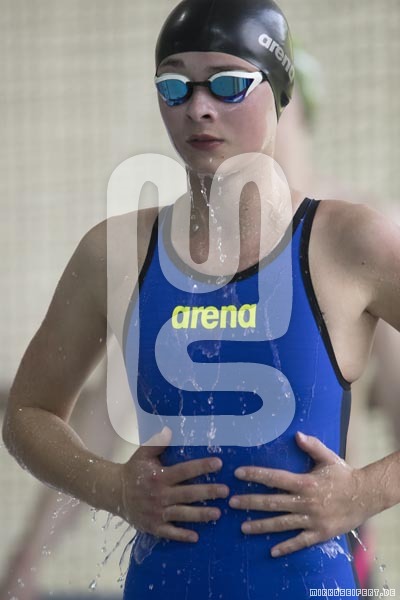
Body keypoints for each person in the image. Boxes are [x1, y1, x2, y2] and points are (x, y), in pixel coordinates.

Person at [3, 0, 400, 598]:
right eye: (174, 86)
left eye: (228, 84)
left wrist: (365, 492)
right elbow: (28, 413)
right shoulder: (116, 252)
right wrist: (114, 488)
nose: (198, 107)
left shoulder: (351, 243)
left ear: (281, 93)